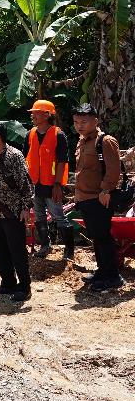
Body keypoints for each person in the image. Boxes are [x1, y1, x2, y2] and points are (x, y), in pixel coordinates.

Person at [72, 103, 125, 292]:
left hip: (99, 197)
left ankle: (113, 276)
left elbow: (113, 170)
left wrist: (105, 191)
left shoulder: (105, 141)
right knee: (96, 237)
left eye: (84, 122)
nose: (80, 126)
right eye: (76, 122)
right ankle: (102, 271)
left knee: (103, 237)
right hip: (84, 197)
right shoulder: (82, 140)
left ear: (96, 120)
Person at [0, 123, 35, 301]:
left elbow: (26, 184)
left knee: (17, 250)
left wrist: (26, 207)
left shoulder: (15, 156)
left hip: (13, 211)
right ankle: (7, 283)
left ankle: (24, 287)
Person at [23, 99, 72, 259]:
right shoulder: (30, 134)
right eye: (33, 113)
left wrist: (58, 184)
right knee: (38, 216)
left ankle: (69, 251)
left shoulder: (58, 134)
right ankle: (45, 246)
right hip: (35, 184)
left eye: (36, 113)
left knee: (59, 216)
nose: (33, 116)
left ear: (46, 115)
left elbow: (62, 161)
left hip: (52, 184)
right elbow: (25, 158)